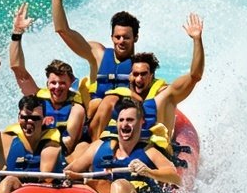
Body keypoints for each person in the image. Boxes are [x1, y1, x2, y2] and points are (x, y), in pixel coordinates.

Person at [49, 0, 164, 120]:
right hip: (94, 119)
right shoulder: (98, 54)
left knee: (111, 101)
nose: (121, 41)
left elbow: (157, 94)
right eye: (117, 37)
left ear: (135, 38)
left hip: (124, 124)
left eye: (126, 37)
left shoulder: (141, 68)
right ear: (112, 37)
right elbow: (63, 30)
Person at [87, 13, 205, 144]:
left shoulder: (164, 95)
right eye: (135, 74)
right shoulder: (124, 104)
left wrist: (197, 39)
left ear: (152, 76)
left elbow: (195, 76)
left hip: (152, 155)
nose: (138, 79)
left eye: (143, 74)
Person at [0, 56, 63, 193]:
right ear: (18, 117)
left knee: (9, 181)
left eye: (35, 118)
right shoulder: (6, 141)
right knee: (8, 181)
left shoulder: (53, 143)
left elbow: (49, 175)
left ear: (44, 120)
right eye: (24, 118)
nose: (29, 122)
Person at [67, 100, 180, 193]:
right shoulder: (98, 147)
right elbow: (70, 171)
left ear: (141, 122)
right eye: (121, 120)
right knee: (84, 185)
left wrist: (149, 172)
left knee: (119, 185)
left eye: (130, 120)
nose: (124, 124)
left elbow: (175, 178)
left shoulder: (149, 151)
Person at [8, 1, 86, 156]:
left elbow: (70, 142)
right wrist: (17, 33)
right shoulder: (39, 99)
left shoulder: (76, 107)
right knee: (9, 138)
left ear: (70, 83)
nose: (57, 87)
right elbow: (18, 70)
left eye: (62, 83)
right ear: (47, 83)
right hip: (37, 147)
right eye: (53, 83)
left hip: (64, 154)